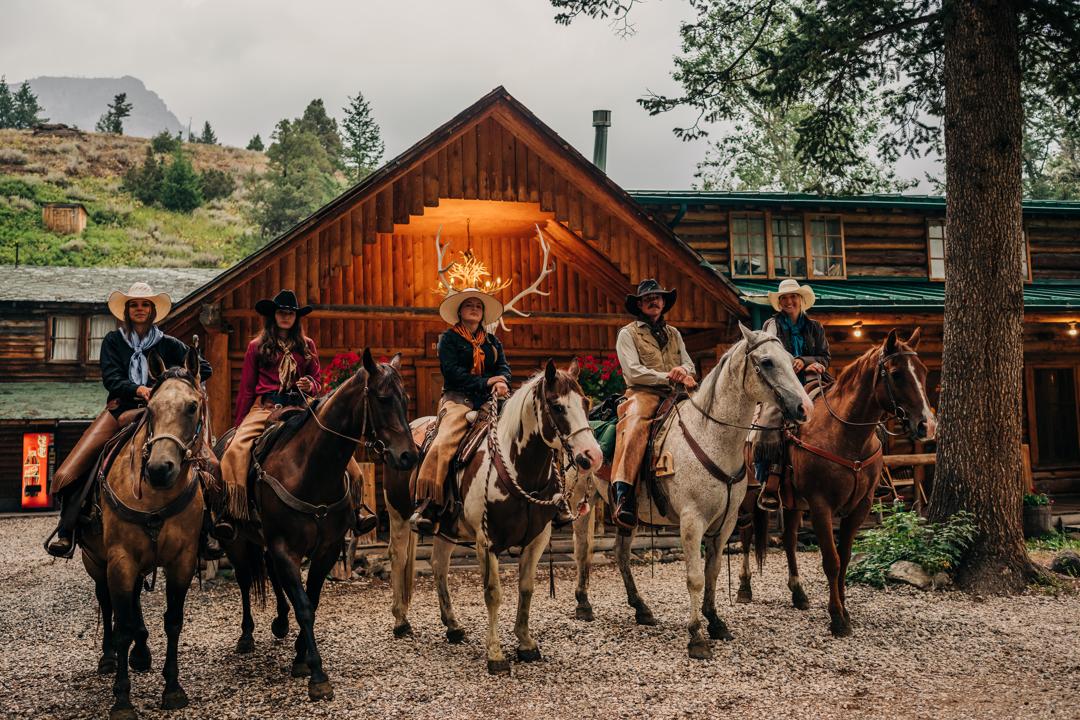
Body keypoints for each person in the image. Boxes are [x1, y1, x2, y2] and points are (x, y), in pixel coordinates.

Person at [46, 282, 213, 557]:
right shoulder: (113, 341)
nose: (139, 309)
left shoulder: (167, 342)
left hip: (162, 413)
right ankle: (68, 529)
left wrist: (170, 384)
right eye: (134, 304)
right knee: (70, 470)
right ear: (127, 310)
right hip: (121, 410)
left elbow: (203, 367)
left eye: (144, 304)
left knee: (210, 464)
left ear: (152, 310)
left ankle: (209, 530)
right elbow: (111, 378)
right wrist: (139, 389)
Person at [220, 290, 376, 534]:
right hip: (266, 408)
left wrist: (309, 385)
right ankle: (232, 512)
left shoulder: (307, 345)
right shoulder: (256, 346)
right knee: (235, 451)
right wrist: (240, 424)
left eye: (290, 313)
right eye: (281, 312)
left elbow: (317, 381)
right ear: (273, 315)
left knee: (345, 457)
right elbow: (247, 389)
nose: (285, 317)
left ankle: (357, 509)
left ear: (296, 317)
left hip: (302, 407)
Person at [410, 287, 511, 534]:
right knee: (443, 442)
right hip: (457, 400)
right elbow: (452, 372)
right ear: (460, 312)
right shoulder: (449, 339)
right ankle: (428, 503)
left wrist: (502, 381)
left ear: (483, 313)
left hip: (490, 401)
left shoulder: (493, 341)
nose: (474, 308)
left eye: (478, 305)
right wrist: (487, 381)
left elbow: (504, 367)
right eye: (469, 305)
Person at [609, 279, 698, 529]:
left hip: (677, 392)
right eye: (648, 298)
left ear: (663, 302)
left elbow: (689, 362)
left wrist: (683, 369)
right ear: (639, 304)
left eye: (658, 297)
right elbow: (633, 372)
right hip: (643, 392)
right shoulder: (628, 333)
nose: (654, 300)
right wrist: (667, 375)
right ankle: (623, 494)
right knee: (635, 425)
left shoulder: (674, 333)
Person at [751, 278, 831, 509]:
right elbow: (770, 353)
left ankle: (872, 472)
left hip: (811, 378)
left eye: (793, 297)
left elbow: (825, 357)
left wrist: (808, 362)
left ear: (801, 300)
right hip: (781, 382)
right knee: (770, 421)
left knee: (844, 404)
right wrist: (792, 362)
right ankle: (770, 479)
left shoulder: (815, 327)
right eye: (784, 298)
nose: (789, 301)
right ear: (779, 302)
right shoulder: (771, 325)